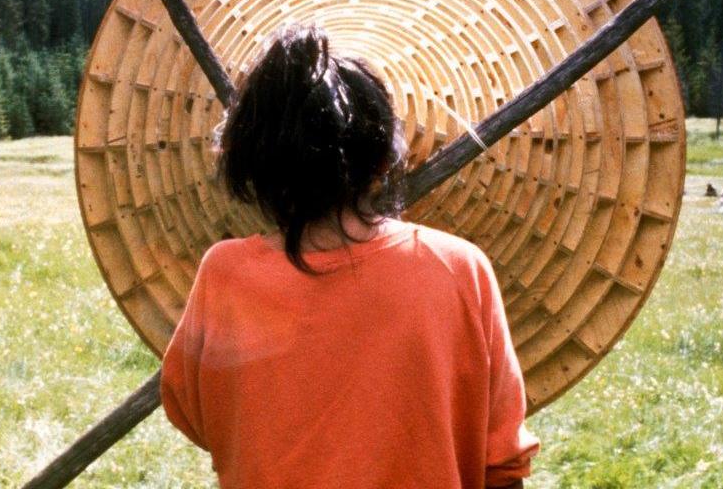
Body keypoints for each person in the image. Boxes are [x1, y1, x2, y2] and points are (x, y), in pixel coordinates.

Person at [160, 25, 538, 489]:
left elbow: (197, 416)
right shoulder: (459, 268)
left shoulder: (225, 276)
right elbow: (503, 465)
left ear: (255, 164)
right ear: (382, 159)